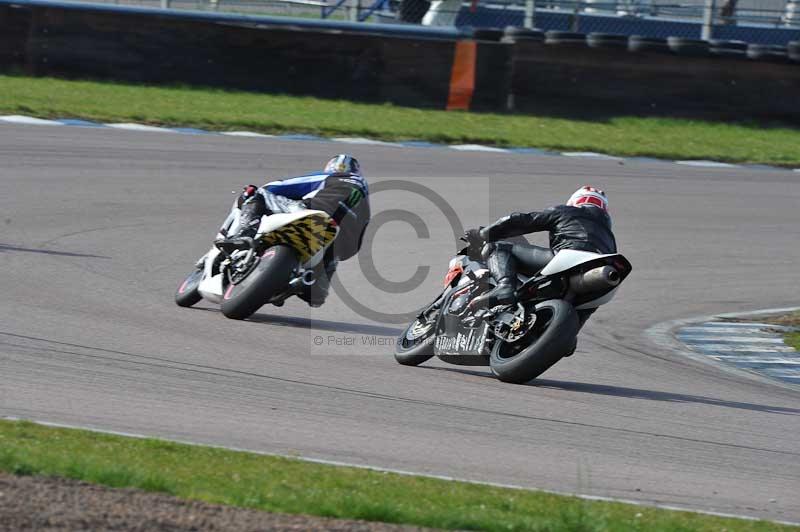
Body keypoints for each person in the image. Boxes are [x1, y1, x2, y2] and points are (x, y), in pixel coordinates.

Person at [218, 154, 370, 307]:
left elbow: (276, 186)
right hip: (338, 240)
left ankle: (244, 234)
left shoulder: (331, 176)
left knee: (256, 192)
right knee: (320, 288)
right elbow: (354, 246)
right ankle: (308, 284)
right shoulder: (365, 199)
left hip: (313, 213)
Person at [466, 186, 616, 327]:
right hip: (601, 271)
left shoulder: (567, 211)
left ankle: (505, 285)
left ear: (575, 201)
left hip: (567, 258)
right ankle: (572, 329)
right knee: (591, 300)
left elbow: (521, 221)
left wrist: (483, 233)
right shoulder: (610, 236)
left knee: (497, 247)